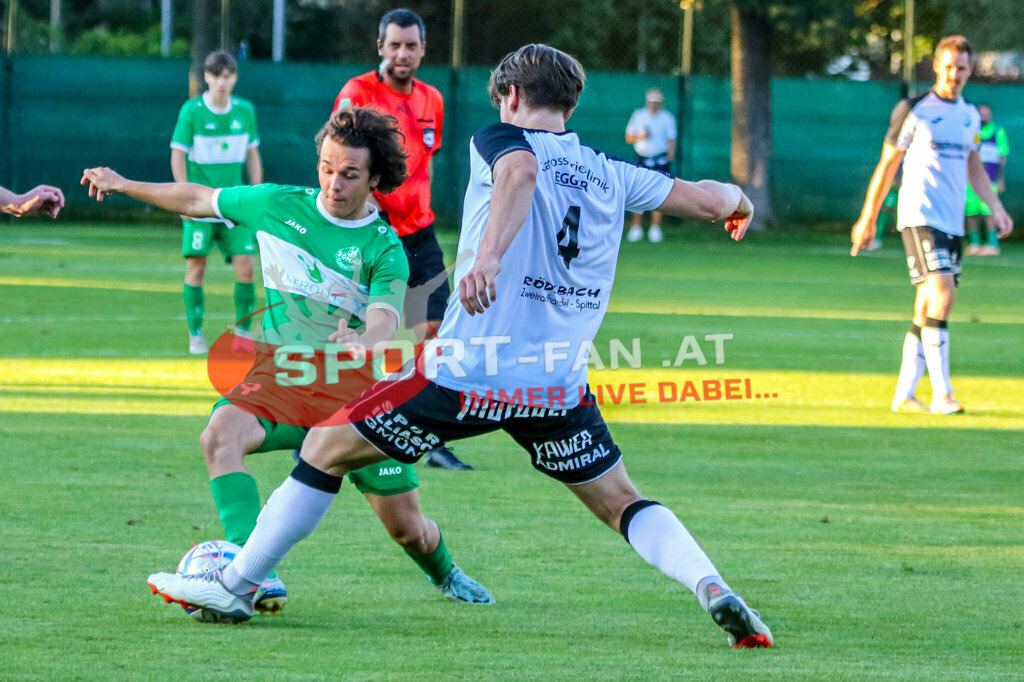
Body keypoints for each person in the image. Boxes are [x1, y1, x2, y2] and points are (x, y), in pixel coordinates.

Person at [145, 44, 774, 649]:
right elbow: (710, 198)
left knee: (324, 447)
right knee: (622, 502)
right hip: (555, 385)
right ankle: (710, 585)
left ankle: (237, 584)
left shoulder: (500, 139)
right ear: (570, 104)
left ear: (512, 94)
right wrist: (740, 201)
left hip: (466, 372)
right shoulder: (613, 172)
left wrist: (491, 255)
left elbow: (520, 171)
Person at [82, 108, 494, 620]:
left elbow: (386, 316)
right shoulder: (277, 205)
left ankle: (446, 573)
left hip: (354, 399)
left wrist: (366, 341)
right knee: (219, 435)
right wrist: (124, 184)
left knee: (408, 530)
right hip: (282, 379)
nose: (333, 184)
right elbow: (197, 198)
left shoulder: (383, 246)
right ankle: (248, 570)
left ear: (375, 180)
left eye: (349, 174)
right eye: (326, 168)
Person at [331, 8, 471, 471]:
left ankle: (427, 436)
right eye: (394, 45)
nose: (402, 53)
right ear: (380, 47)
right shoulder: (358, 94)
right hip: (374, 236)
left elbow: (423, 162)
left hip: (421, 233)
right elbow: (341, 159)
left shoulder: (433, 99)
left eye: (411, 45)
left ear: (423, 49)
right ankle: (323, 428)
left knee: (436, 333)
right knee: (356, 335)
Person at [851, 36, 1013, 415]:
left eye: (961, 68)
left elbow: (974, 166)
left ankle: (905, 394)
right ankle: (944, 394)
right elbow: (888, 164)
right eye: (948, 67)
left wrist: (996, 207)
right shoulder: (914, 109)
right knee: (943, 293)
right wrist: (868, 218)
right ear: (936, 67)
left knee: (926, 306)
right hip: (920, 215)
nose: (954, 74)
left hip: (952, 221)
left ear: (970, 70)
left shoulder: (970, 116)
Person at [171, 50, 262, 356]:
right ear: (207, 77)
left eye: (228, 76)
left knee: (246, 267)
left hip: (234, 205)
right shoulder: (192, 111)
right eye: (217, 76)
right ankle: (195, 334)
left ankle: (243, 335)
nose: (223, 82)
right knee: (197, 266)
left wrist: (256, 195)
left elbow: (252, 154)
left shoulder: (245, 111)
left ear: (235, 78)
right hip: (199, 205)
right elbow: (178, 154)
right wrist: (182, 197)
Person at [624, 87, 676, 243]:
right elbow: (629, 138)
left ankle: (655, 228)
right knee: (637, 192)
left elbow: (671, 140)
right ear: (647, 102)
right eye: (652, 102)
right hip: (642, 158)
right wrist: (641, 136)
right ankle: (636, 228)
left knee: (660, 193)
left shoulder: (667, 118)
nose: (654, 105)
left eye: (657, 102)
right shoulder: (639, 116)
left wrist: (669, 156)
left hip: (660, 159)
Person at [965, 104, 1009, 256]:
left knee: (990, 212)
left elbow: (1002, 157)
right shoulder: (972, 131)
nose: (984, 117)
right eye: (981, 114)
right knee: (970, 212)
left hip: (990, 180)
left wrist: (1000, 179)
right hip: (970, 182)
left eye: (987, 114)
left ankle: (992, 243)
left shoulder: (997, 131)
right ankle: (974, 243)